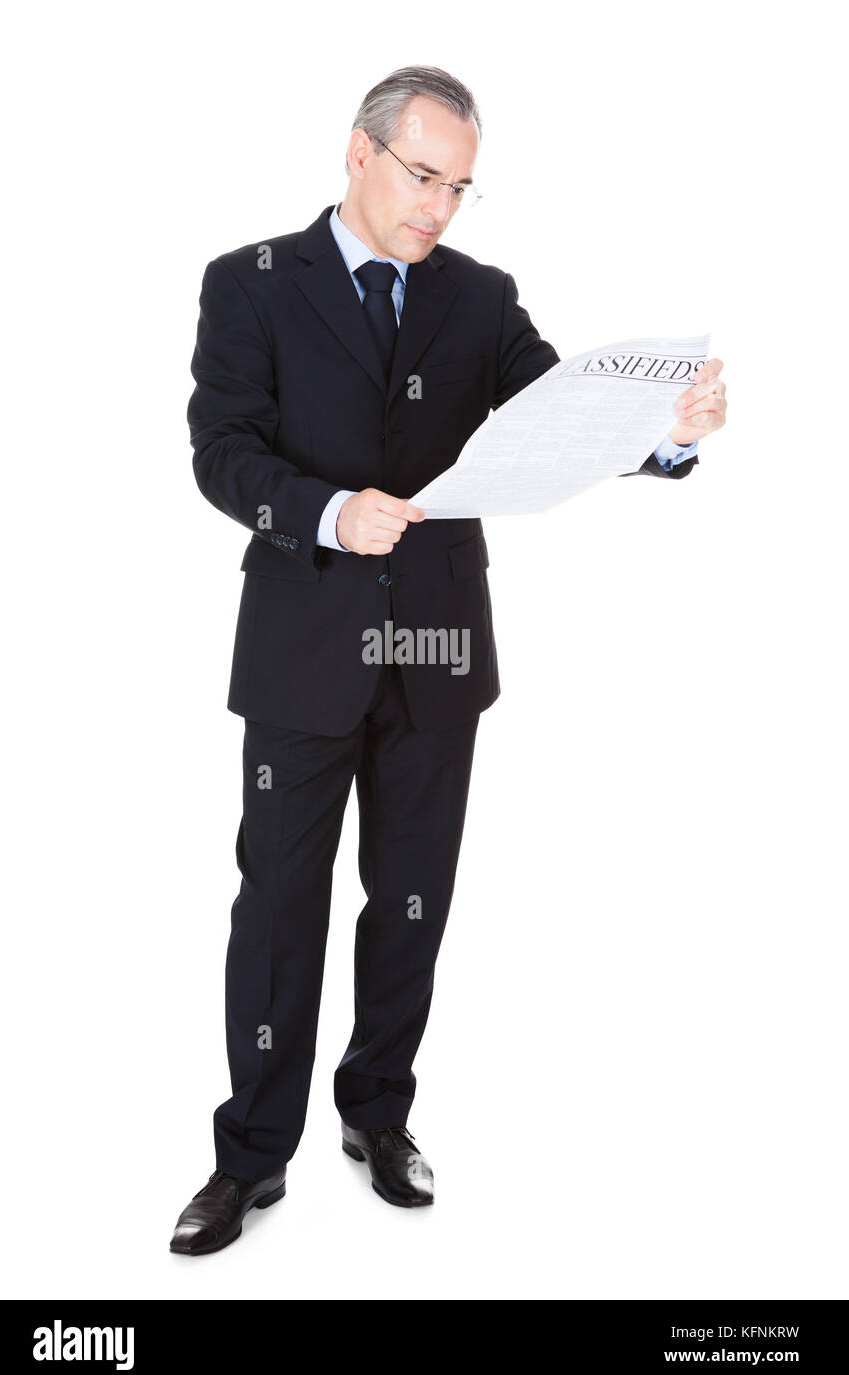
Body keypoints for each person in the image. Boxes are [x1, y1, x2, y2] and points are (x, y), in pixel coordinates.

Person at [170, 64, 727, 1255]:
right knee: (277, 908)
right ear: (359, 152)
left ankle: (377, 1114)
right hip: (302, 650)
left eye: (461, 188)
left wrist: (661, 436)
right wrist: (326, 511)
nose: (440, 207)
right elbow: (220, 450)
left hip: (434, 653)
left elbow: (559, 413)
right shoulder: (250, 284)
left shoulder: (479, 299)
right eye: (424, 177)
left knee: (410, 905)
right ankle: (250, 1157)